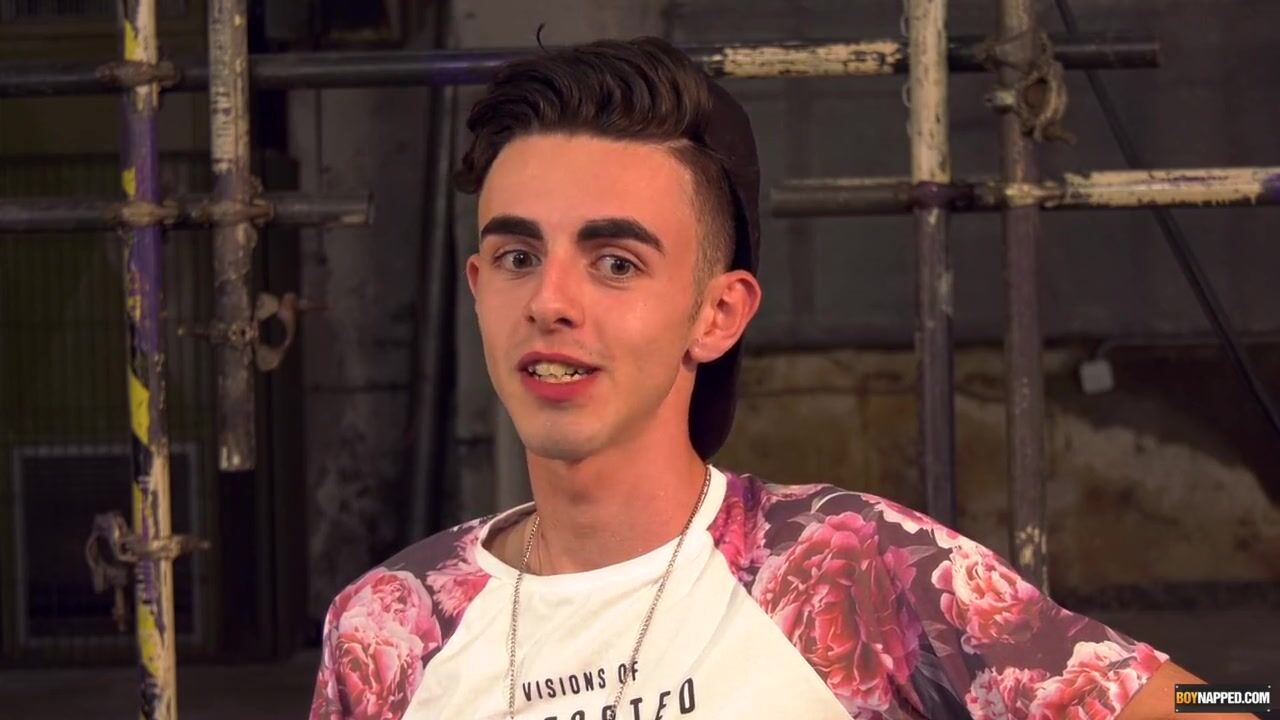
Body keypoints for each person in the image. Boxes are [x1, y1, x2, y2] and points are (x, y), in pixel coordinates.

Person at [309, 37, 1222, 720]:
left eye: (616, 262)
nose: (550, 301)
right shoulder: (388, 627)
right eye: (518, 256)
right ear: (478, 288)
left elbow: (1204, 702)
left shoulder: (851, 569)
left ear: (718, 313)